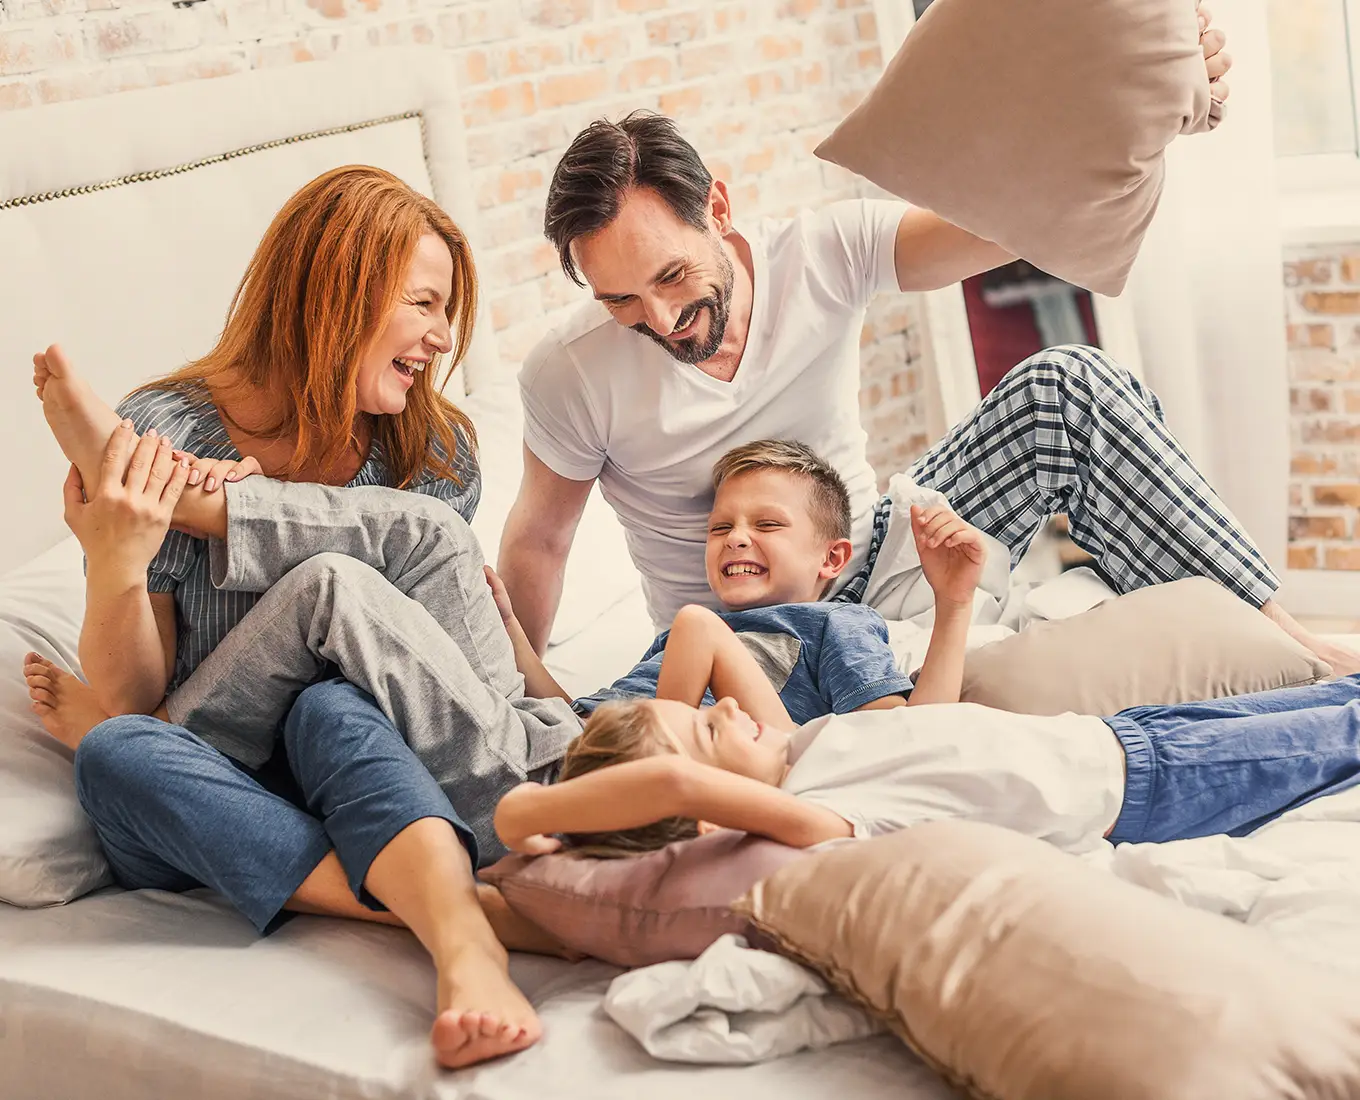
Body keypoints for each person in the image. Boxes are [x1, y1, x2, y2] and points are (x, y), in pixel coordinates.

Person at [496, 24, 1356, 678]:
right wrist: (524, 692)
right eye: (619, 300)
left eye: (673, 276)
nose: (660, 318)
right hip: (746, 638)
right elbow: (540, 542)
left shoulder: (823, 256)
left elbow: (1006, 224)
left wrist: (1147, 113)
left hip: (877, 560)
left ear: (717, 208)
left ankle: (1288, 644)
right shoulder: (571, 373)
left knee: (1070, 385)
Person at [26, 165, 578, 1068]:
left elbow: (436, 672)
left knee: (331, 701)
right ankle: (461, 908)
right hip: (224, 782)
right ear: (342, 291)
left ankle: (463, 941)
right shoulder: (171, 431)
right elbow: (131, 699)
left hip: (377, 764)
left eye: (448, 314)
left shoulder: (430, 448)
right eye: (425, 305)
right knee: (118, 752)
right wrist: (121, 561)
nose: (443, 339)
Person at [493, 629, 1360, 862]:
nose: (726, 706)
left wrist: (666, 724)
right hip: (1147, 793)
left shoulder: (802, 746)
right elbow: (683, 789)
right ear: (706, 815)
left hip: (1124, 736)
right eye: (711, 733)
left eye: (707, 710)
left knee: (1336, 700)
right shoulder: (816, 821)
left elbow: (699, 628)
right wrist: (538, 809)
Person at [497, 438, 986, 726]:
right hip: (582, 742)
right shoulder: (678, 641)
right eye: (720, 527)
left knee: (695, 625)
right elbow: (582, 719)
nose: (736, 539)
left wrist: (954, 603)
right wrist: (512, 634)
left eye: (767, 525)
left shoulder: (835, 622)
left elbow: (903, 730)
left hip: (667, 756)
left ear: (832, 558)